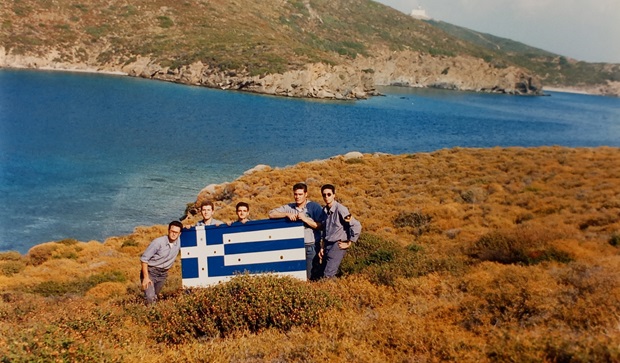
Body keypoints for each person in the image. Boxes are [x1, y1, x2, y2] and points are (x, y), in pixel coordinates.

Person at [269, 182, 325, 280]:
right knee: (296, 276)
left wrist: (306, 220)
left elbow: (321, 226)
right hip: (294, 247)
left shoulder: (313, 207)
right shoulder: (290, 207)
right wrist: (286, 214)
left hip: (311, 246)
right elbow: (271, 214)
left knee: (311, 276)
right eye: (295, 194)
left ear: (305, 194)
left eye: (300, 194)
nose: (297, 197)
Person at [318, 184, 362, 279]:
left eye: (329, 194)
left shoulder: (341, 209)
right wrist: (322, 247)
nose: (326, 197)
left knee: (328, 275)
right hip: (327, 245)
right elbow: (325, 230)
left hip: (337, 245)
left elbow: (356, 225)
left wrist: (350, 242)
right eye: (324, 195)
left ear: (334, 195)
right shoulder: (324, 211)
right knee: (325, 273)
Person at [140, 220, 183, 304]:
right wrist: (146, 278)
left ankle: (148, 312)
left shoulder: (179, 242)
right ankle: (151, 314)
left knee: (155, 296)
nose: (174, 234)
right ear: (168, 231)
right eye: (172, 231)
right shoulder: (158, 242)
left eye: (176, 232)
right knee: (150, 297)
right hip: (150, 271)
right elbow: (144, 259)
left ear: (179, 234)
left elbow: (191, 232)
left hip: (163, 274)